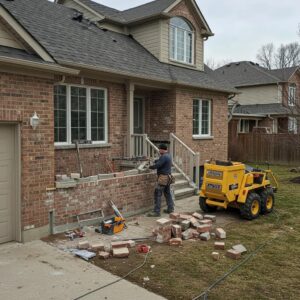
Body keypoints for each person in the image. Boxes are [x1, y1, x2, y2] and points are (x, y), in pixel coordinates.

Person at [147, 143, 174, 217]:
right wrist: (156, 161)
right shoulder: (168, 155)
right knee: (167, 193)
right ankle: (170, 208)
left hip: (163, 178)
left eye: (159, 149)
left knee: (157, 194)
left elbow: (157, 165)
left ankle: (157, 211)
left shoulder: (163, 157)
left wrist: (149, 167)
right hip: (168, 177)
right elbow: (161, 162)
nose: (159, 150)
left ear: (162, 149)